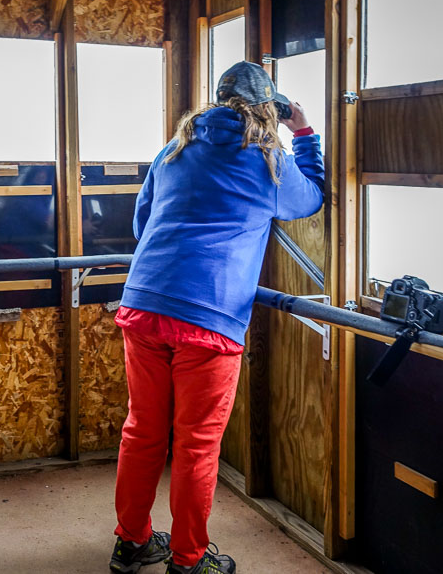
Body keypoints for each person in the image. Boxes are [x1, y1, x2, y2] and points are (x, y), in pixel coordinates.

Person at [108, 61, 325, 574]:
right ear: (268, 110)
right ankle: (189, 558)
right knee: (196, 444)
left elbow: (143, 221)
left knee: (141, 430)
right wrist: (305, 132)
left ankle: (132, 542)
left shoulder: (176, 147)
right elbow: (310, 199)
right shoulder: (267, 158)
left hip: (144, 302)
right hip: (209, 315)